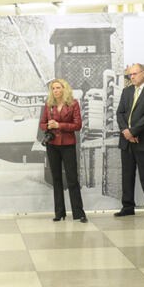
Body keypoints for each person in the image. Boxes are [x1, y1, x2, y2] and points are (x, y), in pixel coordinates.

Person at [115, 63, 144, 218]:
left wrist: (133, 131)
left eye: (134, 74)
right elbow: (120, 113)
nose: (132, 77)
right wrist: (126, 132)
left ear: (143, 73)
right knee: (127, 176)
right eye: (130, 74)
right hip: (126, 141)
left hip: (143, 141)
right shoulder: (126, 91)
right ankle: (127, 207)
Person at [40, 78, 86, 223]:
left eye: (58, 88)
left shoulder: (73, 104)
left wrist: (59, 125)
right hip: (52, 145)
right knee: (56, 179)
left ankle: (79, 213)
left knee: (72, 179)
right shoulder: (48, 105)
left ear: (64, 89)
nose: (55, 91)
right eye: (53, 88)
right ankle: (59, 213)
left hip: (67, 145)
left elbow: (77, 125)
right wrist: (48, 126)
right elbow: (42, 124)